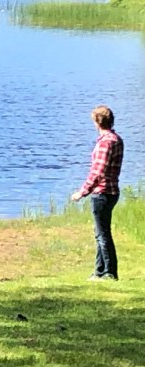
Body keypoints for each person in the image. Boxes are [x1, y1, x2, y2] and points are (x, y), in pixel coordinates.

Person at [71, 105, 124, 281]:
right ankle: (99, 271)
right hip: (112, 191)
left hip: (102, 192)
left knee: (102, 234)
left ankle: (109, 272)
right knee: (101, 233)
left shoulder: (105, 142)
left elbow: (98, 172)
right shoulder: (116, 139)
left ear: (97, 122)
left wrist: (82, 192)